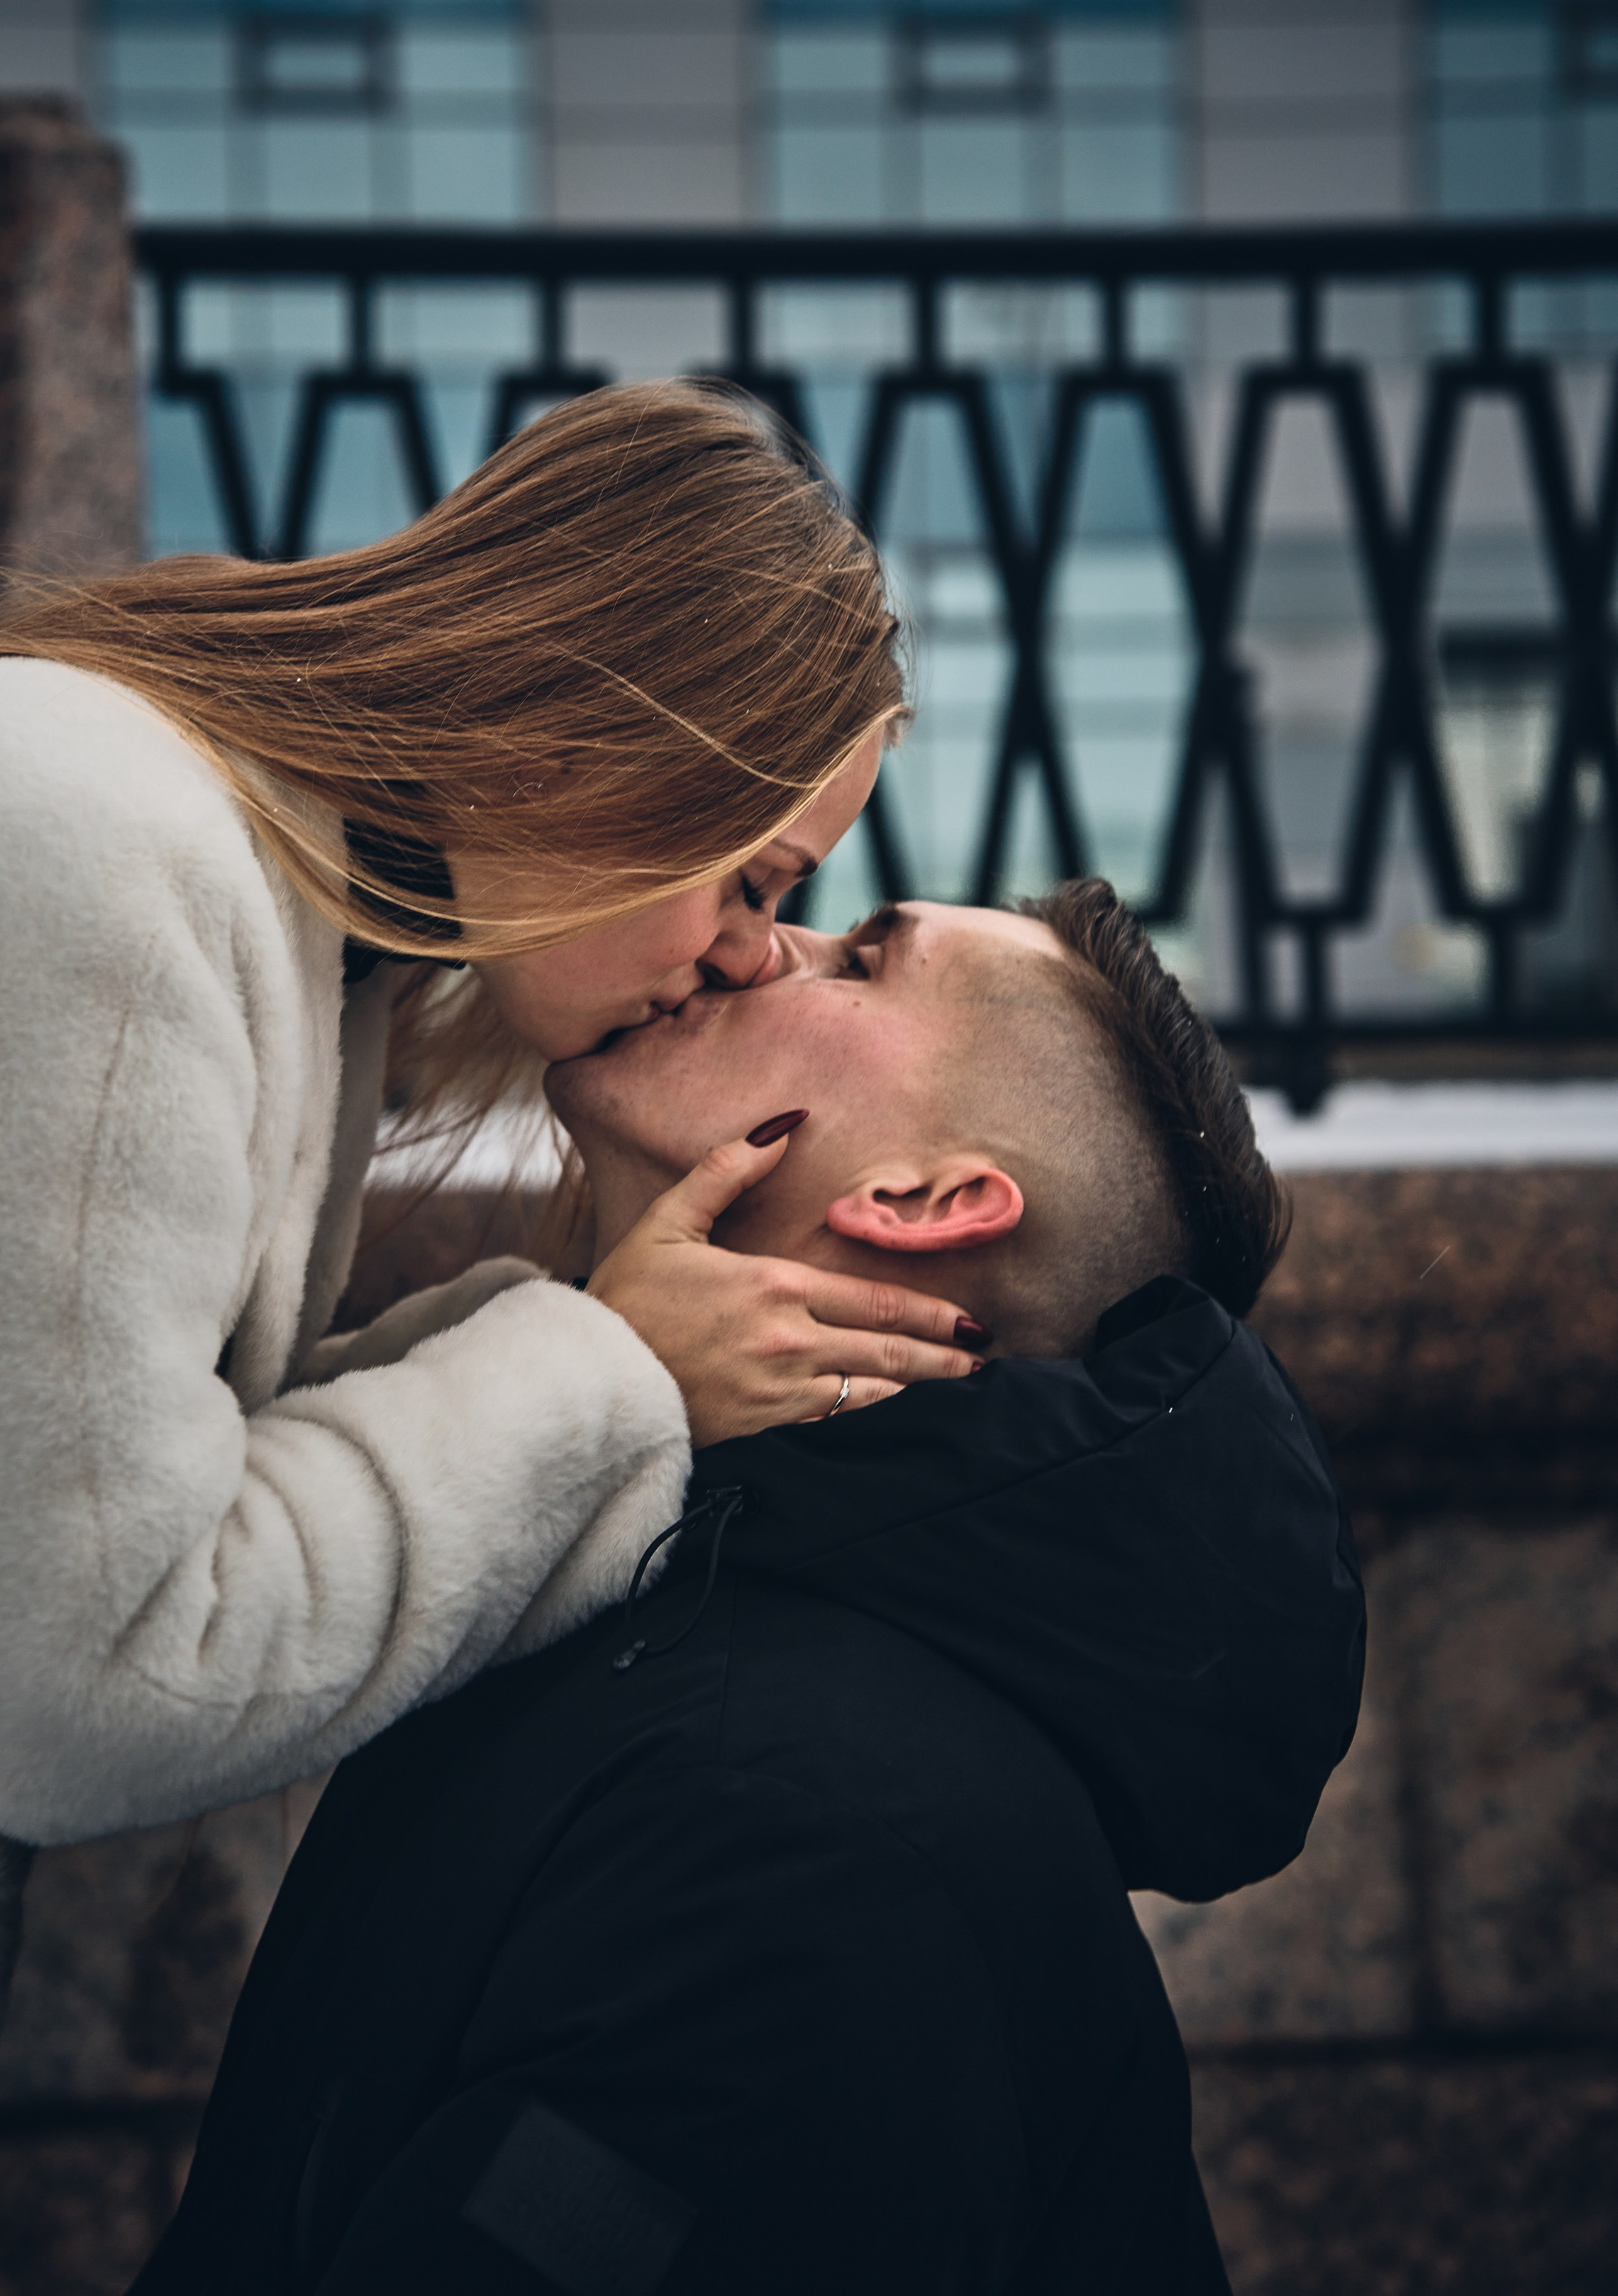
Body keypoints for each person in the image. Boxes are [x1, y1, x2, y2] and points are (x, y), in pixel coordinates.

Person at [0, 382, 988, 1878]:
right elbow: (79, 1688)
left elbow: (129, 1478)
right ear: (589, 735)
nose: (757, 952)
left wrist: (602, 1350)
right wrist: (611, 1375)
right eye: (751, 879)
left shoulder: (261, 890)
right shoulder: (98, 874)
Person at [140, 882, 1365, 2296]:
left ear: (923, 1202)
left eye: (853, 956)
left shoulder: (799, 1831)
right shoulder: (675, 1622)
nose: (741, 941)